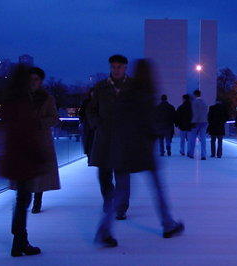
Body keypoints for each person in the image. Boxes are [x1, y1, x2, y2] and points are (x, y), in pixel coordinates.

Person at [94, 59, 184, 247]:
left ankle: (105, 228)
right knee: (158, 188)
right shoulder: (146, 95)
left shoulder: (127, 94)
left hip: (123, 149)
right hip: (142, 150)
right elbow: (148, 123)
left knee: (121, 192)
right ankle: (168, 224)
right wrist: (155, 135)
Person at [0, 65, 61, 257]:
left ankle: (19, 241)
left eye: (36, 79)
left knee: (22, 197)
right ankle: (19, 241)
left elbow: (54, 118)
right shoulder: (20, 100)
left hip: (30, 147)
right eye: (31, 79)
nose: (34, 82)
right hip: (27, 150)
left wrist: (40, 123)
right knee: (23, 197)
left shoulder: (44, 98)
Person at [87, 54, 132, 220]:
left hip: (124, 138)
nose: (116, 69)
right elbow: (91, 110)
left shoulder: (133, 87)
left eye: (119, 66)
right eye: (113, 67)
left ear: (125, 67)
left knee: (122, 175)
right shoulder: (101, 87)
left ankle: (121, 208)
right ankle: (108, 201)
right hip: (104, 137)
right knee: (104, 175)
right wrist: (98, 124)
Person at [187, 90, 208, 160]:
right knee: (203, 138)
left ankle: (191, 153)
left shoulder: (195, 103)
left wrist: (193, 121)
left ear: (195, 95)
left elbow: (195, 113)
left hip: (196, 122)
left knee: (192, 138)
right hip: (204, 122)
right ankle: (204, 154)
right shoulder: (205, 103)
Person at [79, 88, 95, 162]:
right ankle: (89, 157)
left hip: (96, 125)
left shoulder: (100, 101)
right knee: (88, 141)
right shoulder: (86, 102)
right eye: (92, 92)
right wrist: (83, 121)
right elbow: (81, 113)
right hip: (87, 125)